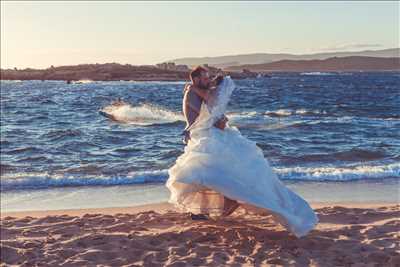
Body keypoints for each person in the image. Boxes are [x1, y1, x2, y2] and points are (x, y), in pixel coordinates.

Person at [166, 73, 318, 237]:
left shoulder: (198, 91)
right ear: (195, 79)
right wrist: (216, 119)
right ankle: (212, 206)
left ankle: (228, 202)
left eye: (209, 79)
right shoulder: (193, 92)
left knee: (214, 171)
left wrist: (219, 118)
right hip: (203, 135)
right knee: (207, 171)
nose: (208, 81)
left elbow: (209, 112)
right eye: (204, 78)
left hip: (209, 135)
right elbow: (201, 116)